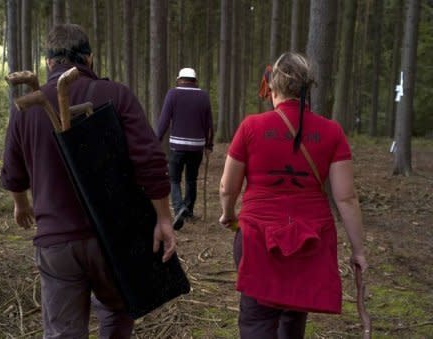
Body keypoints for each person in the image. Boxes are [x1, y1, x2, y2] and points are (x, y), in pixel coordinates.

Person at [1, 24, 176, 339]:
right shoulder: (115, 94)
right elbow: (150, 160)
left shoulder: (25, 110)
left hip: (57, 243)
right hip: (112, 238)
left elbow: (14, 173)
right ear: (89, 58)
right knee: (117, 316)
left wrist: (21, 204)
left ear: (48, 63)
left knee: (63, 333)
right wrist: (163, 217)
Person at [219, 52, 368, 338]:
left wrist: (228, 214)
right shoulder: (331, 132)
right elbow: (346, 198)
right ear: (306, 89)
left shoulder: (251, 127)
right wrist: (358, 250)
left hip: (257, 237)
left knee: (256, 318)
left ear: (273, 88)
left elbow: (228, 186)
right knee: (293, 315)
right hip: (311, 238)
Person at [156, 67, 214, 230]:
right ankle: (187, 210)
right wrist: (209, 144)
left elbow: (164, 121)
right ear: (195, 81)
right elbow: (209, 124)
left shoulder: (173, 94)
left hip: (177, 146)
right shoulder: (203, 96)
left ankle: (179, 207)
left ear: (180, 79)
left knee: (174, 179)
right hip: (197, 146)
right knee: (191, 178)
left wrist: (156, 141)